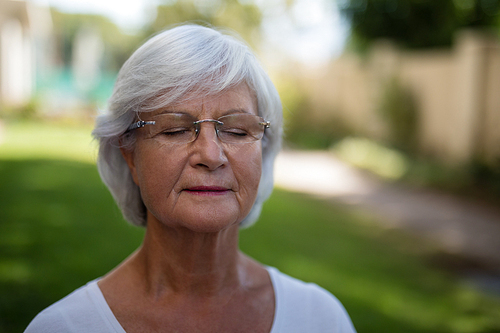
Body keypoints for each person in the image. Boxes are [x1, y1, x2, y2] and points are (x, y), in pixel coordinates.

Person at [25, 24, 356, 333]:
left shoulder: (320, 319)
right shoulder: (65, 326)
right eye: (175, 129)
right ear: (130, 157)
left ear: (262, 151)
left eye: (238, 130)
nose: (211, 156)